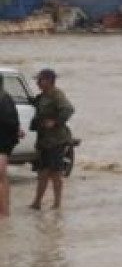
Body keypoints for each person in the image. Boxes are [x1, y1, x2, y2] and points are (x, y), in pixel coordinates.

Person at [30, 68, 73, 211]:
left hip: (56, 141)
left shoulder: (57, 94)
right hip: (44, 140)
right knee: (42, 172)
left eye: (40, 80)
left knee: (55, 173)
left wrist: (55, 122)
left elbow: (68, 109)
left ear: (49, 80)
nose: (37, 82)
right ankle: (37, 203)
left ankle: (57, 204)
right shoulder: (43, 96)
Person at [0, 78, 22, 218]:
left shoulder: (4, 99)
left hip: (2, 143)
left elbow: (9, 121)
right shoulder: (5, 97)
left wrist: (16, 131)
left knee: (0, 177)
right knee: (3, 177)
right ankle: (5, 211)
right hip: (5, 142)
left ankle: (3, 213)